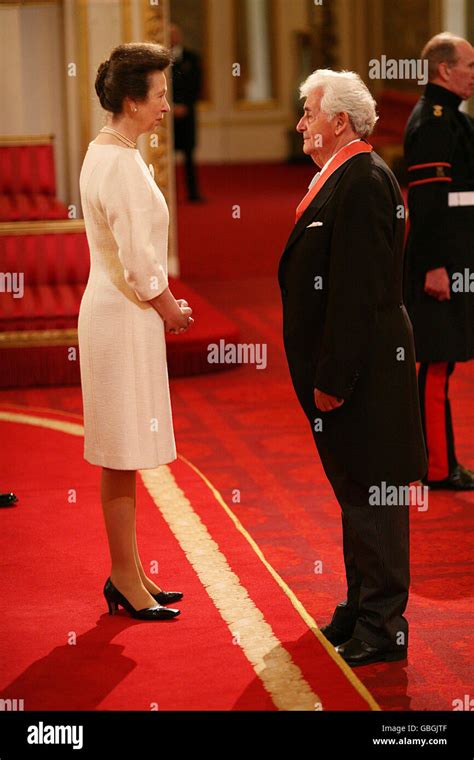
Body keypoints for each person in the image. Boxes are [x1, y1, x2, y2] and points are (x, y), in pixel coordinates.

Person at [278, 69, 427, 667]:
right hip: (355, 367)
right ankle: (362, 604)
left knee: (376, 494)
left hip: (364, 371)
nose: (300, 125)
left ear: (338, 121)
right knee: (357, 491)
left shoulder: (363, 180)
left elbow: (357, 294)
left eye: (308, 113)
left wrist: (334, 379)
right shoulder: (343, 176)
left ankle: (384, 623)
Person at [78, 43, 194, 621]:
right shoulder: (120, 162)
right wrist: (170, 306)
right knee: (120, 451)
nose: (166, 106)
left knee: (122, 451)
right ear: (131, 100)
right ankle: (124, 576)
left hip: (117, 310)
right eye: (159, 95)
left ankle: (133, 570)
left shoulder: (110, 149)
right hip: (123, 312)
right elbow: (136, 258)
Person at [404, 32, 474, 490]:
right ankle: (435, 466)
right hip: (439, 261)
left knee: (444, 360)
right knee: (435, 362)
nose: (473, 73)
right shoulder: (432, 122)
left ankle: (442, 460)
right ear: (445, 70)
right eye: (469, 65)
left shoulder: (451, 118)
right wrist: (433, 265)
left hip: (455, 255)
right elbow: (428, 201)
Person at [170, 23, 205, 202]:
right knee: (166, 158)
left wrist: (184, 105)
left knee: (189, 155)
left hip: (187, 115)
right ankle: (168, 194)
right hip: (166, 116)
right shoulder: (160, 60)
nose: (172, 37)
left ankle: (193, 193)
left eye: (175, 34)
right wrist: (171, 105)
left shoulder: (192, 58)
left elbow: (196, 85)